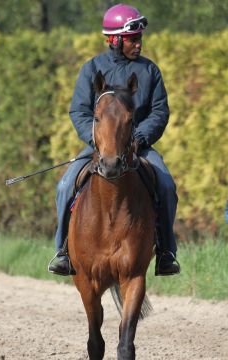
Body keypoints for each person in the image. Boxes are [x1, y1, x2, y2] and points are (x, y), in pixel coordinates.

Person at [48, 3, 180, 277]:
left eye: (140, 38)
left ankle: (166, 252)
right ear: (115, 39)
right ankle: (62, 251)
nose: (138, 44)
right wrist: (96, 140)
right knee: (63, 186)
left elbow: (159, 111)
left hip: (138, 147)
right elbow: (79, 111)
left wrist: (139, 137)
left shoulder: (150, 71)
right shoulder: (91, 68)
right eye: (133, 39)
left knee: (166, 185)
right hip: (100, 147)